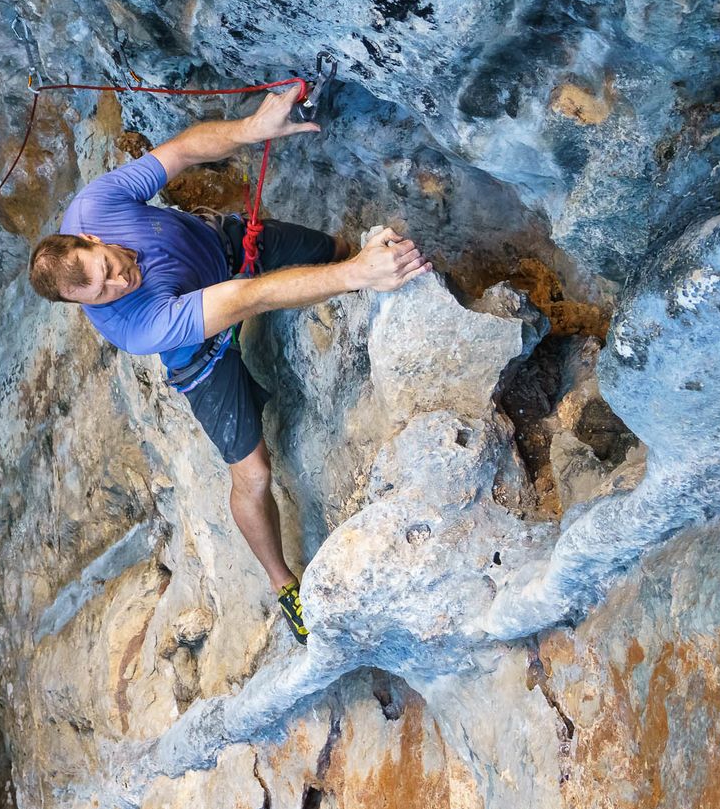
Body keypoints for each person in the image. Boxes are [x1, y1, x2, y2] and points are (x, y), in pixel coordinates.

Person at [27, 85, 429, 642]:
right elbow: (247, 298)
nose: (121, 281)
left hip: (225, 247)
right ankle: (283, 583)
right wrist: (358, 276)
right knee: (254, 473)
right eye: (101, 292)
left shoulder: (96, 205)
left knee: (333, 248)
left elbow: (183, 150)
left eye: (109, 266)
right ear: (83, 305)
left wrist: (249, 130)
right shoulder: (135, 325)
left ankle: (342, 257)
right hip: (200, 354)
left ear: (91, 237)